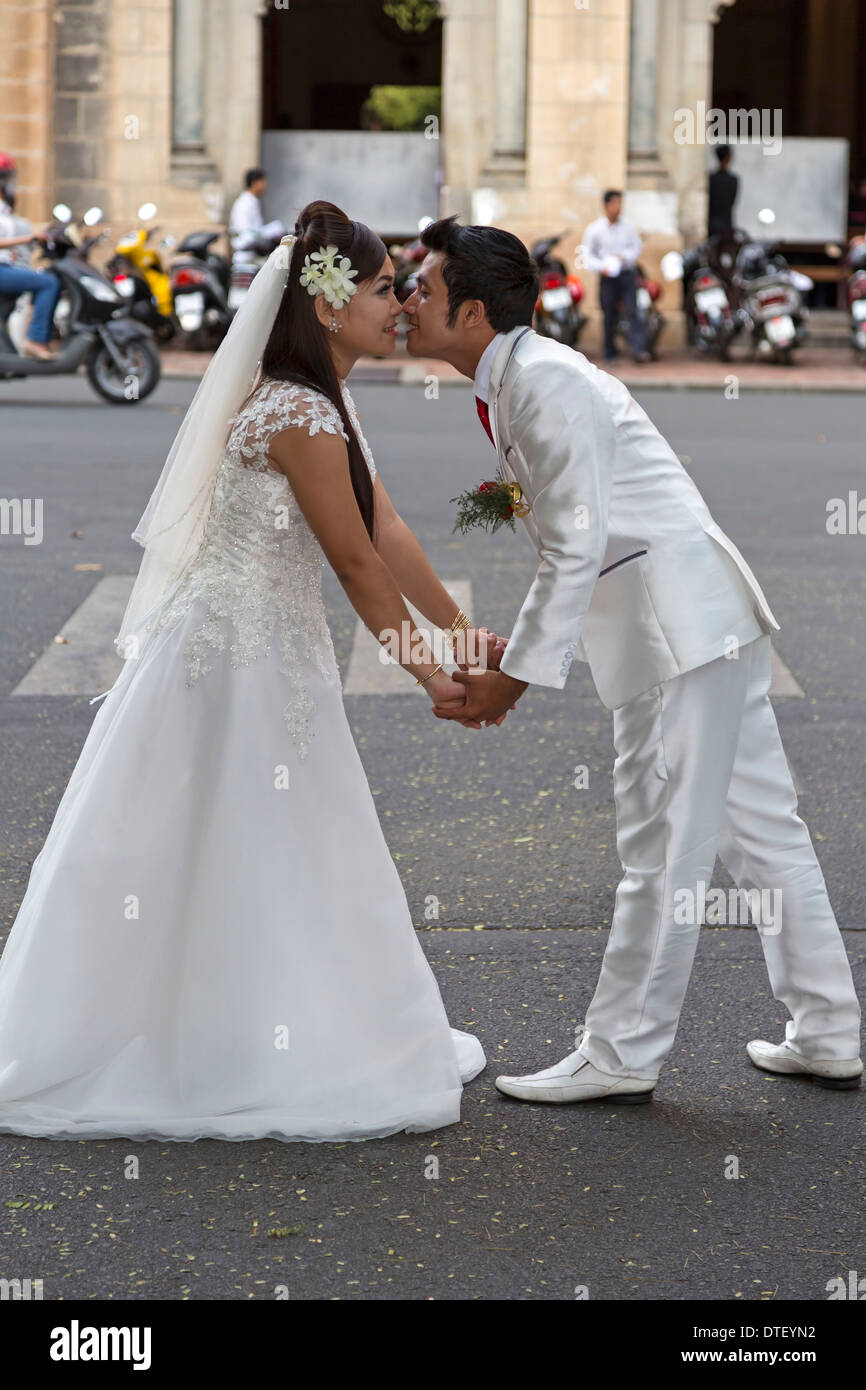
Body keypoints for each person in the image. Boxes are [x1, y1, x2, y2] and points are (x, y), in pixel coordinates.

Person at [0, 200, 492, 1144]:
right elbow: (353, 562)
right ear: (329, 300)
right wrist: (433, 675)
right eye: (386, 288)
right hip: (232, 663)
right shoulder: (300, 411)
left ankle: (255, 1025)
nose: (399, 305)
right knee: (230, 841)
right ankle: (216, 1047)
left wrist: (464, 634)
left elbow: (385, 528)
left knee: (273, 841)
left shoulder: (326, 401)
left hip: (272, 652)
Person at [402, 215, 863, 1104]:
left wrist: (513, 679)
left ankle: (622, 1052)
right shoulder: (521, 379)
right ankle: (830, 1029)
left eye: (421, 288)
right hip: (691, 623)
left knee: (662, 847)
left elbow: (573, 548)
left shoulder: (544, 382)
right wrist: (521, 651)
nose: (407, 302)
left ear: (470, 314)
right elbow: (576, 538)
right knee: (764, 832)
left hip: (677, 631)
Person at [580, 189, 650, 364]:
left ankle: (638, 349)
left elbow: (636, 248)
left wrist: (624, 257)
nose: (618, 207)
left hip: (626, 274)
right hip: (607, 277)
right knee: (609, 313)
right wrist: (601, 266)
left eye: (620, 203)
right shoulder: (595, 229)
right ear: (606, 206)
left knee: (633, 310)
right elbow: (587, 255)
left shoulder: (628, 227)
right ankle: (610, 351)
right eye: (615, 203)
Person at [0, 188, 61, 360]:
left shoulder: (5, 210)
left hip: (6, 265)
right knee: (48, 282)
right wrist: (28, 238)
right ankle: (35, 339)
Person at [708, 144, 739, 237]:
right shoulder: (733, 180)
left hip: (711, 224)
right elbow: (732, 202)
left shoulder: (710, 178)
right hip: (726, 224)